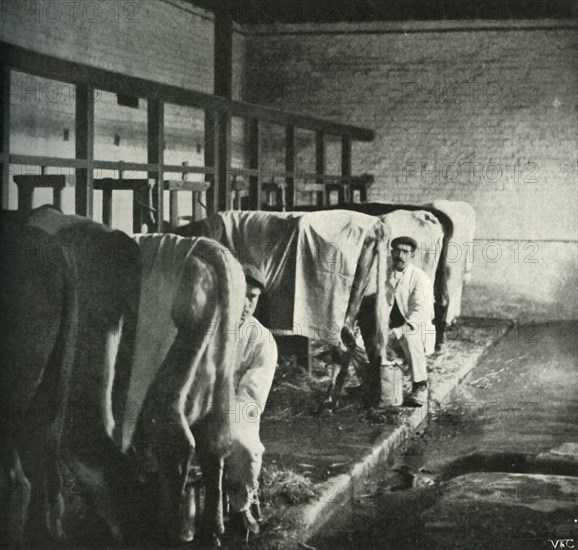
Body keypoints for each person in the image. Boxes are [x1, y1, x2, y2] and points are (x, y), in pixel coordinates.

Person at [225, 264, 277, 535]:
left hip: (236, 410)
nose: (245, 304)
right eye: (240, 294)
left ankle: (240, 505)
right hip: (198, 406)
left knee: (241, 443)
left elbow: (250, 398)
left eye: (252, 297)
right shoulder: (209, 327)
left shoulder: (262, 341)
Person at [385, 236, 435, 407]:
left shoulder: (420, 278)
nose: (400, 255)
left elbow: (420, 313)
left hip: (414, 327)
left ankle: (420, 385)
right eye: (397, 250)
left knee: (411, 336)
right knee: (357, 340)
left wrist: (397, 332)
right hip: (388, 328)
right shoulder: (382, 274)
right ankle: (371, 382)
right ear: (391, 252)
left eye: (405, 252)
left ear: (412, 256)